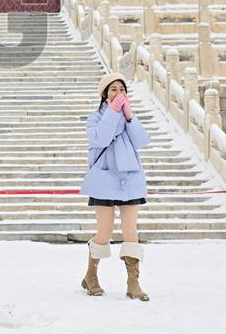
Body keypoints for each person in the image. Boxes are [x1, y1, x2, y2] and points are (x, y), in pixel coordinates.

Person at [79, 73, 151, 301]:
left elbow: (141, 142)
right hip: (104, 181)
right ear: (104, 94)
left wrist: (129, 118)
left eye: (122, 90)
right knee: (105, 232)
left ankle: (133, 283)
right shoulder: (95, 118)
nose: (118, 94)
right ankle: (91, 276)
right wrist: (112, 113)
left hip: (129, 180)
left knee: (131, 232)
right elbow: (100, 138)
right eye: (113, 90)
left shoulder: (129, 119)